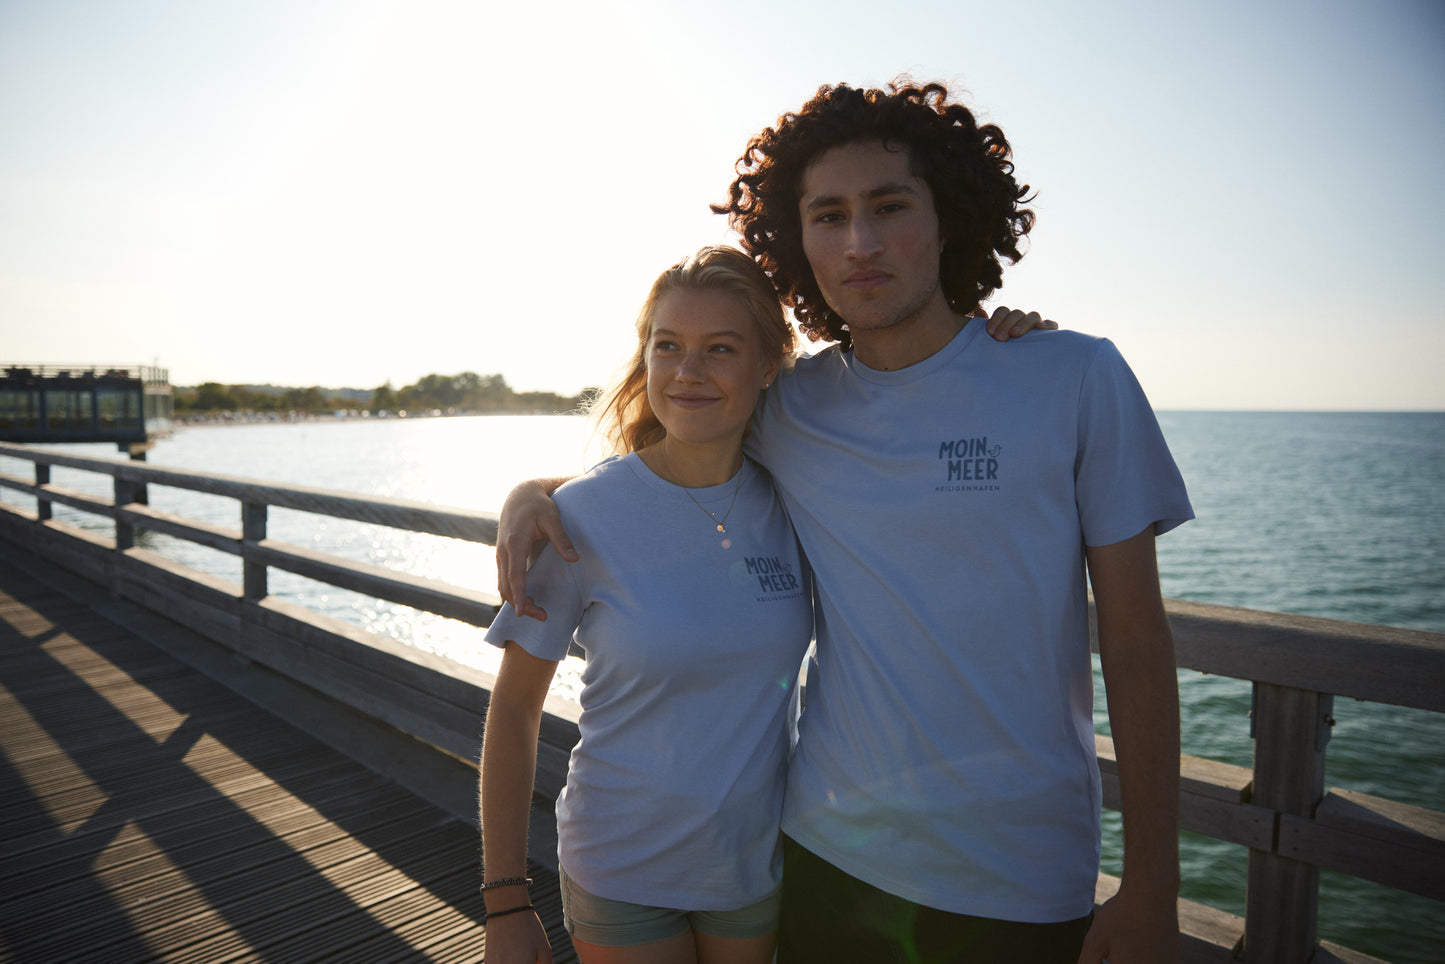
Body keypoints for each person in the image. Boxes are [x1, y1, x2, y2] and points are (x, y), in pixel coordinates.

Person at [498, 78, 1193, 964]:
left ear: (949, 220)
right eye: (828, 216)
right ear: (798, 241)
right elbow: (670, 465)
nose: (859, 243)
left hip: (1022, 874)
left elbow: (1135, 640)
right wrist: (535, 492)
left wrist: (1152, 884)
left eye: (889, 206)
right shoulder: (794, 406)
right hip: (824, 855)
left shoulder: (1074, 379)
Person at [479, 245, 814, 964]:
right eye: (668, 347)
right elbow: (513, 710)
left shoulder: (795, 501)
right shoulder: (577, 516)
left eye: (719, 348)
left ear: (765, 366)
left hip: (749, 864)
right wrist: (505, 899)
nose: (688, 371)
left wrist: (1001, 335)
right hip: (619, 864)